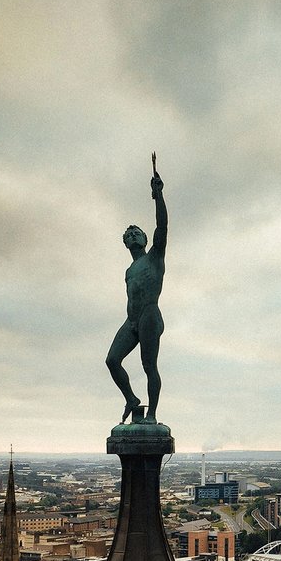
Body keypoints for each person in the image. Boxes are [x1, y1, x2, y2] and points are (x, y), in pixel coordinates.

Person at [106, 164, 167, 423]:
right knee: (112, 360)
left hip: (149, 316)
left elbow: (162, 227)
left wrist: (158, 196)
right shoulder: (129, 270)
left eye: (136, 233)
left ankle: (151, 414)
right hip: (131, 321)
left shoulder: (154, 257)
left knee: (148, 366)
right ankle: (131, 398)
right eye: (128, 234)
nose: (132, 235)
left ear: (144, 239)